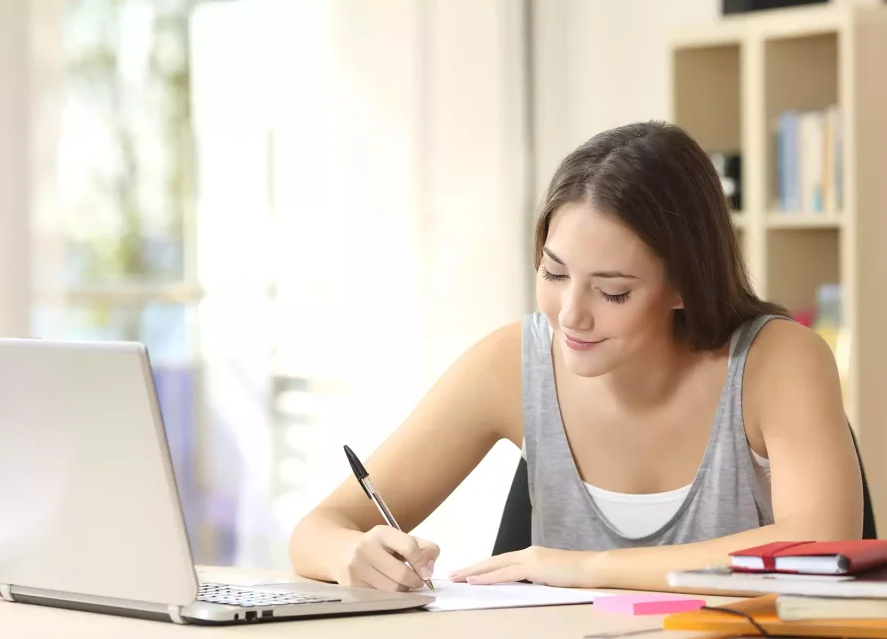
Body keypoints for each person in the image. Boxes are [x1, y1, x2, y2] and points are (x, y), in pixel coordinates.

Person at [287, 120, 864, 593]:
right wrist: (353, 556)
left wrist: (584, 569)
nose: (570, 315)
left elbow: (820, 540)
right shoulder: (513, 364)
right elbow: (317, 529)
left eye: (613, 291)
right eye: (554, 273)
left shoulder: (777, 361)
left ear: (686, 284)